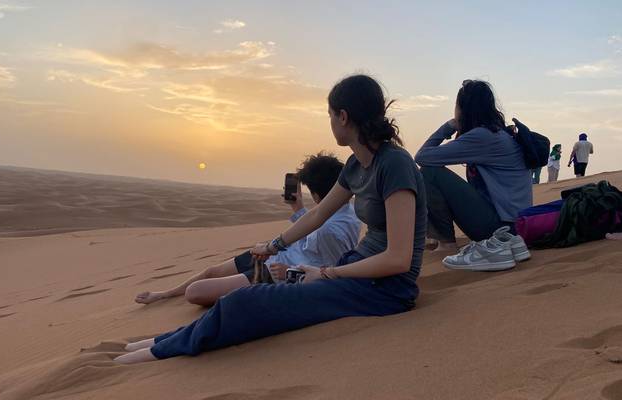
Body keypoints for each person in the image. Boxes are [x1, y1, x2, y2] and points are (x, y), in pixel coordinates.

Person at [114, 74, 427, 364]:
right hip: (355, 269)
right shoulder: (356, 165)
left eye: (330, 115)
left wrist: (328, 273)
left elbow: (398, 259)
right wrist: (273, 245)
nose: (330, 122)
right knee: (258, 295)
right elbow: (318, 213)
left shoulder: (394, 164)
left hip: (384, 290)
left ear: (343, 117)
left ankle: (161, 350)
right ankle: (167, 340)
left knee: (247, 301)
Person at [134, 152, 361, 307]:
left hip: (274, 274)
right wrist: (298, 208)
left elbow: (332, 271)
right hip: (274, 255)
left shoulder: (337, 229)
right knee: (210, 272)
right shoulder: (335, 212)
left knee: (195, 292)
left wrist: (293, 274)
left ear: (317, 195)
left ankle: (243, 298)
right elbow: (309, 234)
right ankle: (164, 294)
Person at [414, 79, 531, 271]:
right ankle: (439, 238)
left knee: (429, 173)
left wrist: (449, 126)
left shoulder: (483, 136)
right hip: (514, 227)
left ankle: (446, 243)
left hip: (500, 229)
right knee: (431, 172)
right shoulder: (498, 134)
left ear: (463, 108)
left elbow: (423, 157)